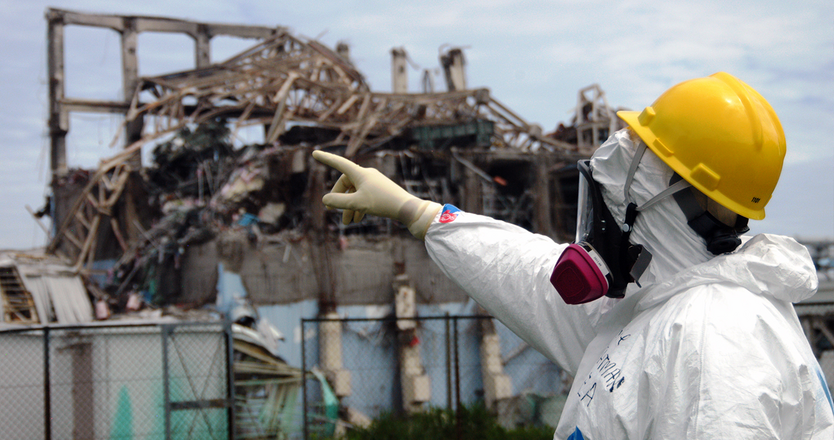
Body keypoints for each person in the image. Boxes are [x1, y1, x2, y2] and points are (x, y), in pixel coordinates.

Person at [312, 72, 834, 439]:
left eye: (615, 186)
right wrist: (417, 211)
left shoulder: (712, 344)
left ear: (664, 191)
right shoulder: (664, 302)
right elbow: (530, 275)